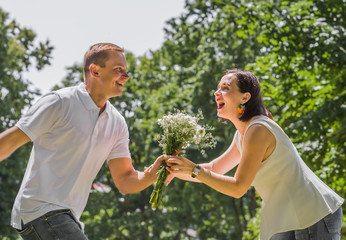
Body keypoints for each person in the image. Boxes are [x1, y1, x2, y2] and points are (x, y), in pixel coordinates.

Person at [0, 43, 164, 239]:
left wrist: (153, 175)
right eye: (118, 70)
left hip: (68, 216)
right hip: (39, 210)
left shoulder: (117, 123)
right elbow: (9, 142)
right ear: (95, 70)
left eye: (126, 71)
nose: (126, 76)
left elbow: (124, 180)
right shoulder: (59, 102)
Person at [166, 69, 344, 240]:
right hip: (287, 216)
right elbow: (214, 168)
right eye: (218, 88)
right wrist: (174, 170)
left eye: (225, 88)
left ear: (245, 97)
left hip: (312, 213)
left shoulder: (258, 129)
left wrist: (194, 169)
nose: (217, 93)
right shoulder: (242, 134)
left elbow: (238, 187)